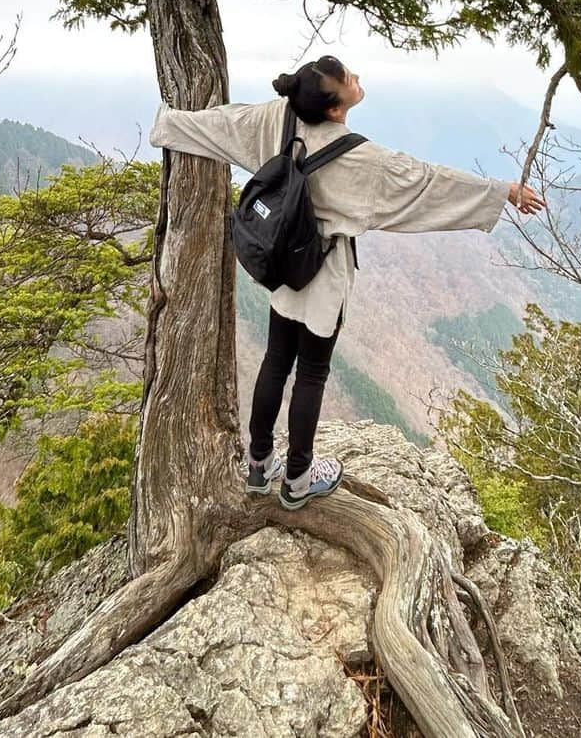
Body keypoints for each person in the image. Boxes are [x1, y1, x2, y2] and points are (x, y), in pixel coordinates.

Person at [148, 55, 545, 511]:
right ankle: (297, 477)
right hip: (323, 274)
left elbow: (224, 125)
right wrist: (500, 192)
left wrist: (171, 124)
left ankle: (258, 465)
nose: (358, 79)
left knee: (276, 361)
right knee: (312, 373)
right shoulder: (364, 160)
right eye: (350, 80)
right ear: (335, 110)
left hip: (281, 263)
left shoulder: (277, 119)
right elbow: (428, 183)